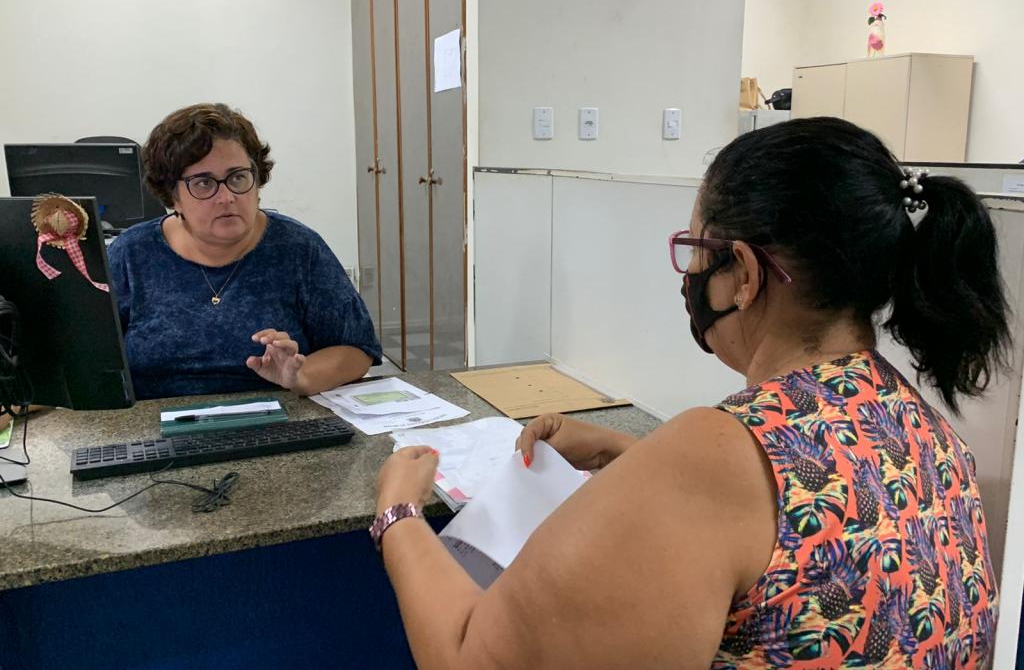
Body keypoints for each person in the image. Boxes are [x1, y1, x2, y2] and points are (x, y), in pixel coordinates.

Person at [372, 117, 1007, 668]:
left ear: (745, 274)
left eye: (696, 250)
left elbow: (474, 658)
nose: (691, 277)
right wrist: (634, 458)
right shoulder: (923, 429)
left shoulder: (711, 456)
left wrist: (398, 514)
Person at [108, 103, 381, 400]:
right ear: (172, 196)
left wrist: (299, 377)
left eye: (237, 177)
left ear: (257, 182)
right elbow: (91, 360)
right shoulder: (132, 254)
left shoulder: (298, 249)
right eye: (203, 183)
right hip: (155, 421)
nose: (226, 197)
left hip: (276, 416)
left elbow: (357, 349)